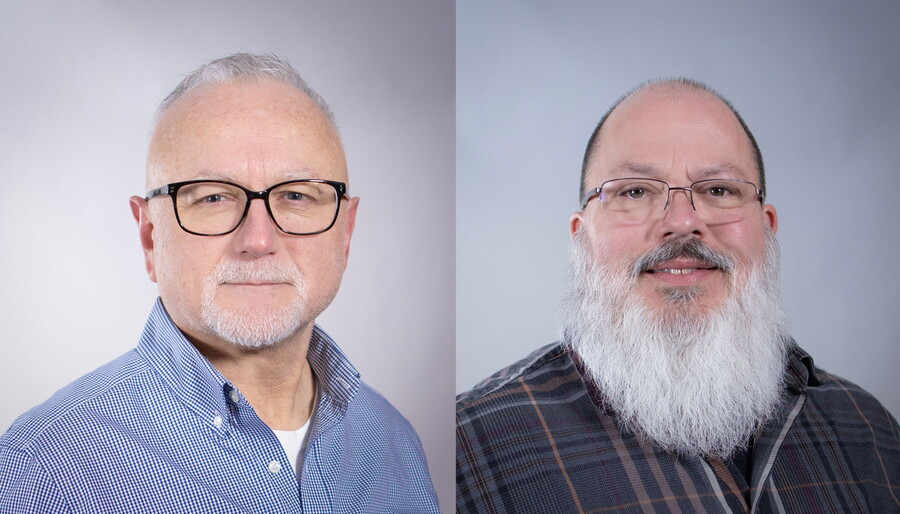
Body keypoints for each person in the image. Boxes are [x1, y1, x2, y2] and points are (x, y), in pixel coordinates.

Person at [0, 53, 439, 513]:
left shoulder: (395, 443)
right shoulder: (41, 472)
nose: (258, 239)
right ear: (150, 236)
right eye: (212, 197)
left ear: (344, 234)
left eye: (295, 196)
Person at [456, 78, 900, 513]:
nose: (683, 222)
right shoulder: (470, 444)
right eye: (635, 191)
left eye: (718, 190)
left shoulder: (867, 427)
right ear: (582, 238)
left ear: (766, 228)